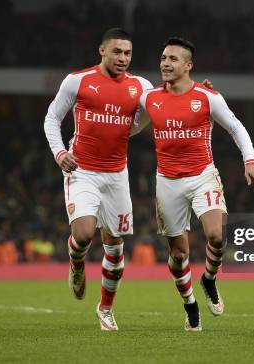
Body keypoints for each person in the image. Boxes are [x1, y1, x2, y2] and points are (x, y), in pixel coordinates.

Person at [134, 37, 254, 331]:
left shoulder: (207, 97)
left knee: (216, 235)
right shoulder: (150, 98)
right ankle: (190, 305)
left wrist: (251, 160)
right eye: (163, 58)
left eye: (173, 59)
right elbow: (130, 128)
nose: (166, 64)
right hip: (167, 182)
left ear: (188, 65)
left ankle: (208, 278)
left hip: (202, 175)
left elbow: (235, 126)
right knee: (178, 254)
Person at [44, 28, 153, 331]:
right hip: (82, 171)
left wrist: (201, 93)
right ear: (102, 51)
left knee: (115, 245)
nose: (123, 58)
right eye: (117, 52)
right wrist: (59, 153)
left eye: (128, 53)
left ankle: (105, 308)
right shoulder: (77, 81)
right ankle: (77, 263)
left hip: (117, 174)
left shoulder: (140, 86)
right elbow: (52, 118)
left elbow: (158, 109)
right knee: (83, 234)